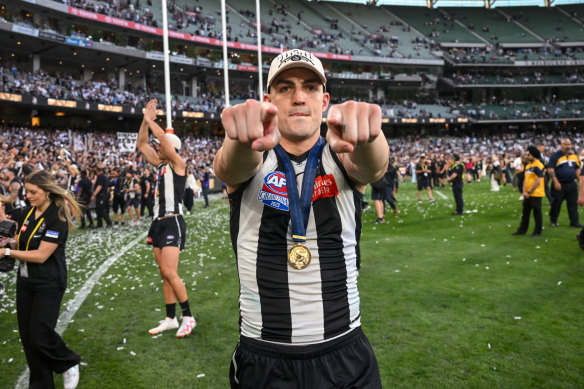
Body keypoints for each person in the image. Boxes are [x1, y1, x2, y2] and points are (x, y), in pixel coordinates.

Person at [214, 49, 386, 388]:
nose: (298, 97)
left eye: (309, 87)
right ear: (269, 100)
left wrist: (369, 136)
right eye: (285, 88)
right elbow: (229, 166)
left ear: (325, 101)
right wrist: (241, 139)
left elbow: (373, 165)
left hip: (344, 354)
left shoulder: (342, 154)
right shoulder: (254, 154)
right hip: (264, 357)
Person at [0, 169, 82, 389]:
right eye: (27, 192)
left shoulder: (58, 217)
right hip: (26, 282)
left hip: (49, 283)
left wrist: (7, 254)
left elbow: (41, 255)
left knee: (39, 334)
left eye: (34, 192)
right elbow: (20, 242)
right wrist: (8, 246)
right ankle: (41, 385)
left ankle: (68, 362)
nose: (29, 196)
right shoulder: (28, 212)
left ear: (47, 192)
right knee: (28, 339)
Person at [137, 99, 196, 338]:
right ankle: (171, 318)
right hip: (157, 223)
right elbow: (142, 143)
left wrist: (152, 121)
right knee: (164, 273)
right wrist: (144, 121)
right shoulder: (160, 165)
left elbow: (163, 142)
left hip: (173, 221)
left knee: (171, 272)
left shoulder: (178, 164)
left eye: (161, 146)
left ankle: (188, 316)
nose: (157, 147)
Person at [512, 146, 545, 237]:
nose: (527, 156)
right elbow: (525, 180)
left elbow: (538, 181)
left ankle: (537, 231)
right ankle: (522, 230)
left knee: (537, 213)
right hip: (527, 194)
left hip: (536, 194)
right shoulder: (528, 166)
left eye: (528, 155)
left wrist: (529, 192)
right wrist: (524, 192)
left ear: (534, 155)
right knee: (525, 214)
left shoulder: (539, 165)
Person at [548, 139, 582, 228]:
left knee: (573, 204)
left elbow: (577, 170)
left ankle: (574, 221)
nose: (568, 146)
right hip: (560, 184)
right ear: (561, 145)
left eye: (569, 144)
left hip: (571, 184)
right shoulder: (555, 156)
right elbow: (551, 170)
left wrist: (580, 182)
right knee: (556, 203)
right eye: (565, 144)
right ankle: (553, 220)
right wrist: (556, 182)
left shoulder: (574, 156)